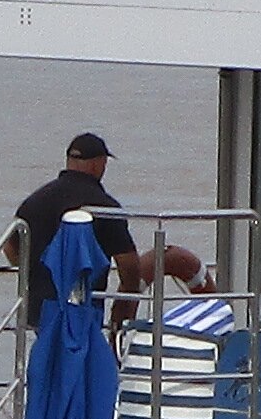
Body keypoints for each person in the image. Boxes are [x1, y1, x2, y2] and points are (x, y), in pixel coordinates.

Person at [11, 132, 206, 327]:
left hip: (40, 310)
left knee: (48, 354)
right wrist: (126, 300)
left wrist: (34, 274)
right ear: (98, 164)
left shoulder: (35, 201)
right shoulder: (105, 208)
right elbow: (128, 264)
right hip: (84, 310)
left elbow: (10, 246)